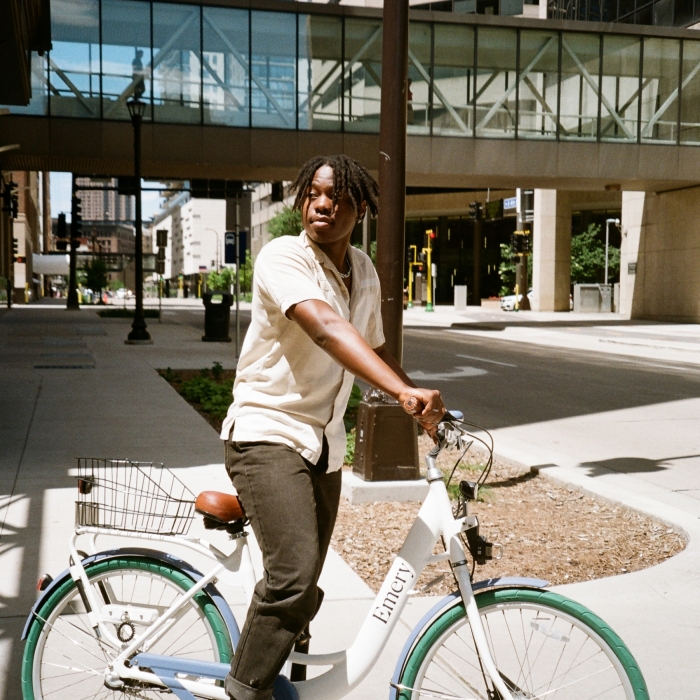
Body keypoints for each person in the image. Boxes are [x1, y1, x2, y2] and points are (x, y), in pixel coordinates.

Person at [220, 154, 446, 700]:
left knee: (303, 593)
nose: (322, 204)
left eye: (338, 197)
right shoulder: (283, 256)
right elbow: (324, 326)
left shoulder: (361, 268)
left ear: (360, 207)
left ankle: (281, 681)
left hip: (323, 448)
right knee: (292, 579)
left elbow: (374, 346)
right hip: (266, 433)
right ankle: (245, 692)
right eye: (313, 194)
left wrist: (423, 406)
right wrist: (398, 392)